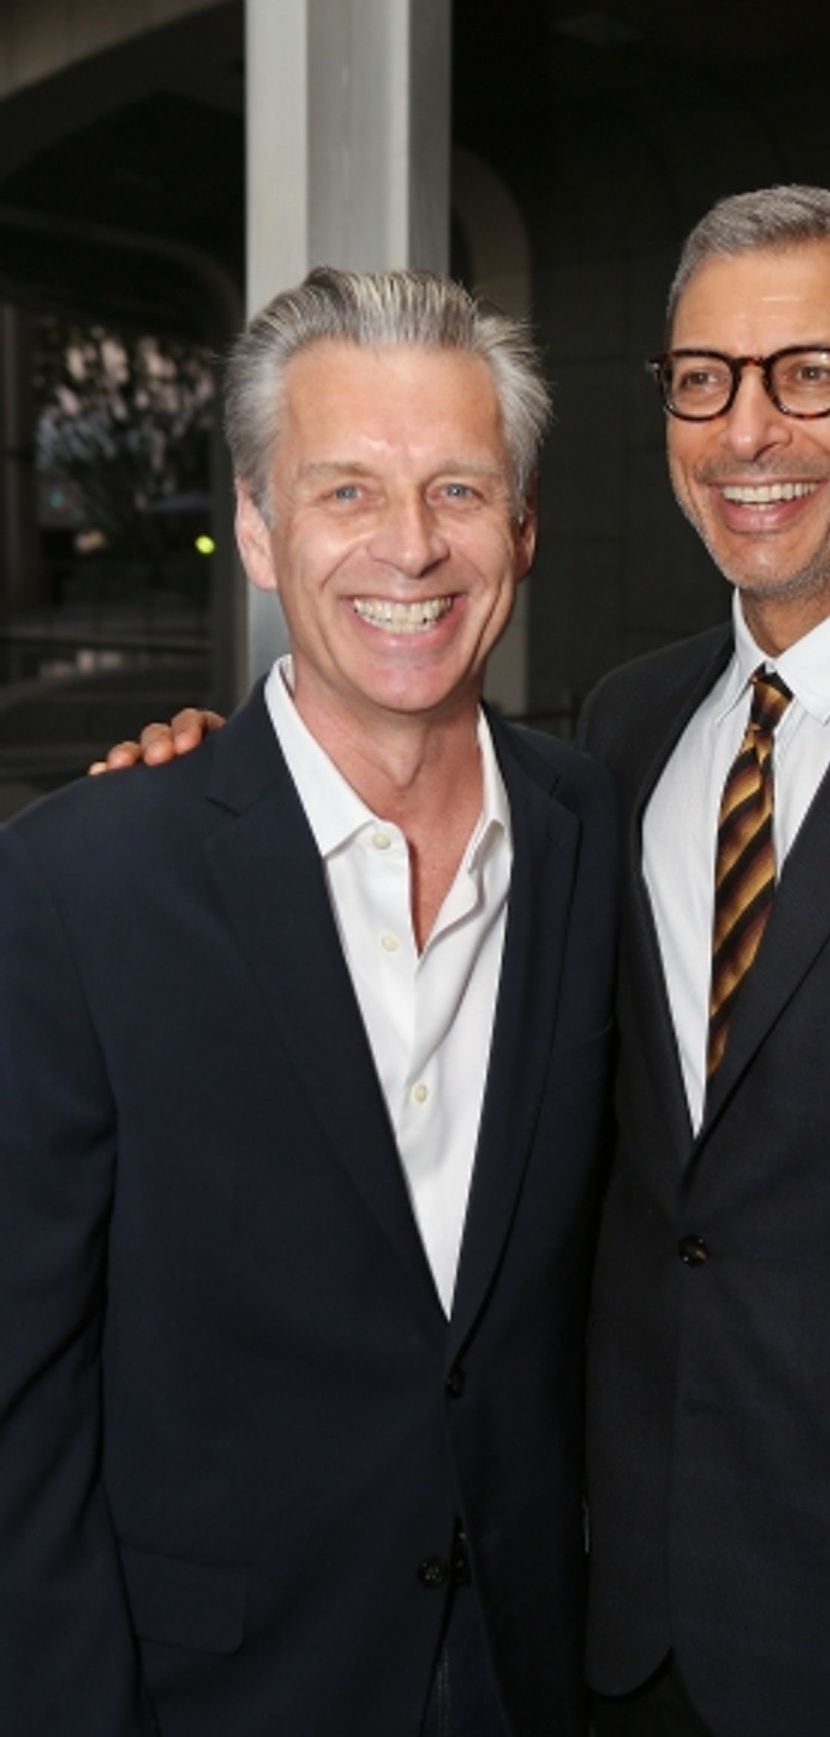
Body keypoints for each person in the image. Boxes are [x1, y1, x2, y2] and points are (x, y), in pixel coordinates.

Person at [97, 187, 830, 1737]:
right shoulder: (618, 733)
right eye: (704, 380)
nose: (750, 432)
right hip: (618, 1646)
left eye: (810, 373)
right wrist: (209, 778)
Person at [0, 267, 617, 1736]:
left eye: (459, 491)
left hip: (530, 1678)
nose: (411, 548)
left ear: (521, 530)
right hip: (208, 1690)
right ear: (263, 534)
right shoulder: (82, 882)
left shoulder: (600, 830)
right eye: (347, 492)